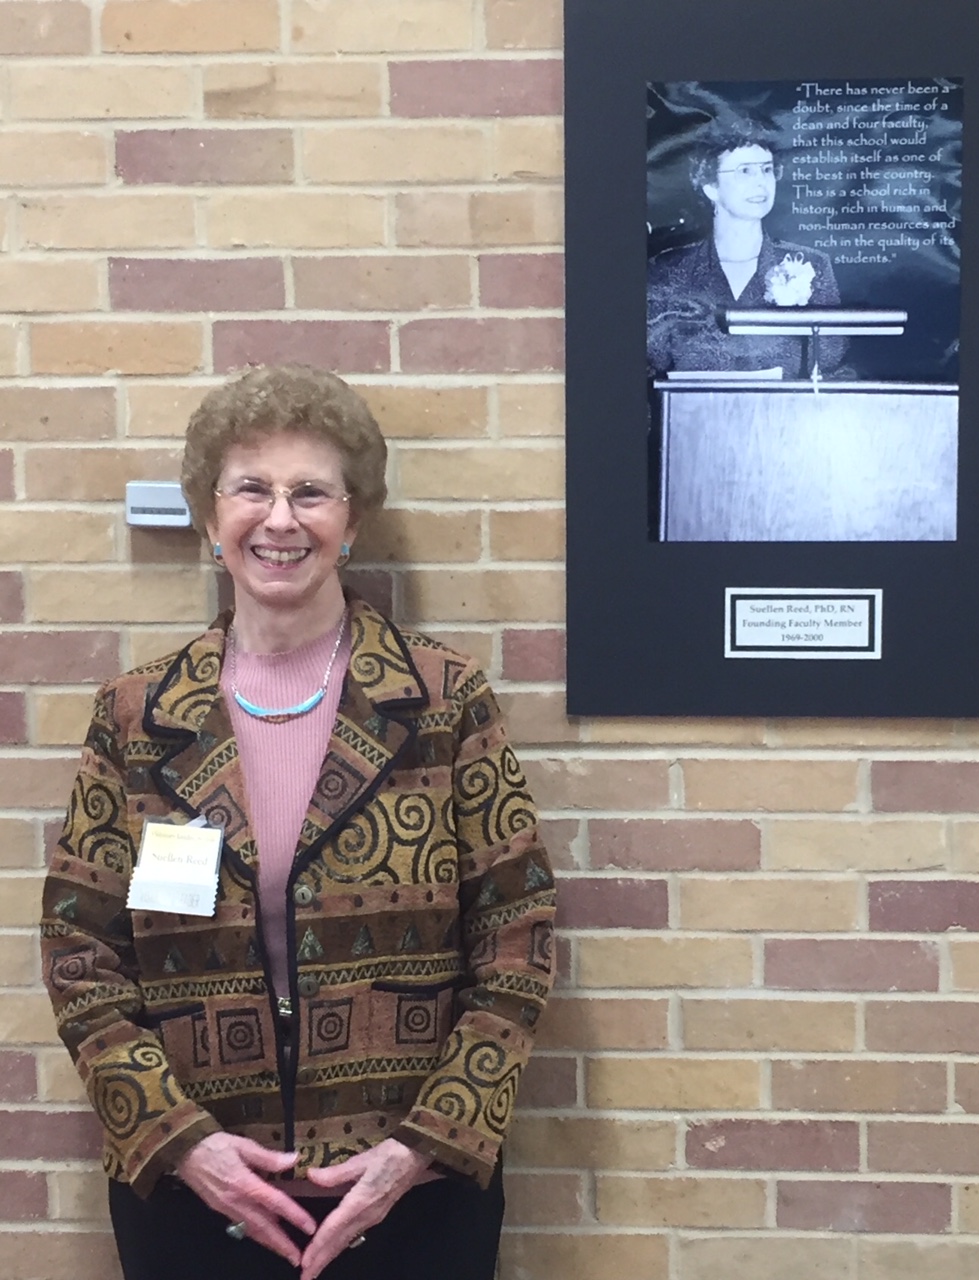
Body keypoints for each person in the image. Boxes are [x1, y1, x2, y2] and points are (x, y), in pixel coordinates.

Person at [40, 364, 557, 1280]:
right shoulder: (137, 717)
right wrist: (181, 1142)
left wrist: (424, 1145)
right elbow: (81, 954)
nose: (279, 519)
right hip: (192, 1196)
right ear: (210, 519)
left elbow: (519, 937)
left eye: (311, 493)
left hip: (410, 1192)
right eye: (251, 489)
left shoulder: (441, 701)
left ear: (352, 524)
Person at [647, 122, 845, 377]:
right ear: (711, 186)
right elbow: (649, 369)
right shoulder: (668, 270)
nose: (761, 182)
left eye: (767, 170)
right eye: (745, 171)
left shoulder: (812, 266)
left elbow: (831, 366)